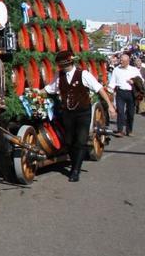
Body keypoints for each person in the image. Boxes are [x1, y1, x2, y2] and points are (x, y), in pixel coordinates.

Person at [44, 49, 117, 182]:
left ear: (69, 63)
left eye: (63, 65)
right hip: (67, 113)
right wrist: (33, 94)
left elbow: (99, 88)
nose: (62, 67)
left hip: (83, 113)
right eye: (60, 65)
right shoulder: (59, 75)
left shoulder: (83, 74)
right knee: (69, 141)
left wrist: (110, 105)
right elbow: (50, 89)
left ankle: (75, 170)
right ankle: (74, 164)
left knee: (81, 141)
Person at [107, 53, 143, 136]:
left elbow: (141, 80)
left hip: (131, 93)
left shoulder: (134, 70)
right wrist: (109, 90)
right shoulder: (116, 70)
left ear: (128, 61)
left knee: (130, 113)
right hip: (120, 92)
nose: (121, 62)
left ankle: (129, 130)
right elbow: (112, 82)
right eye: (120, 60)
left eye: (123, 61)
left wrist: (133, 81)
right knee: (120, 112)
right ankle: (120, 130)